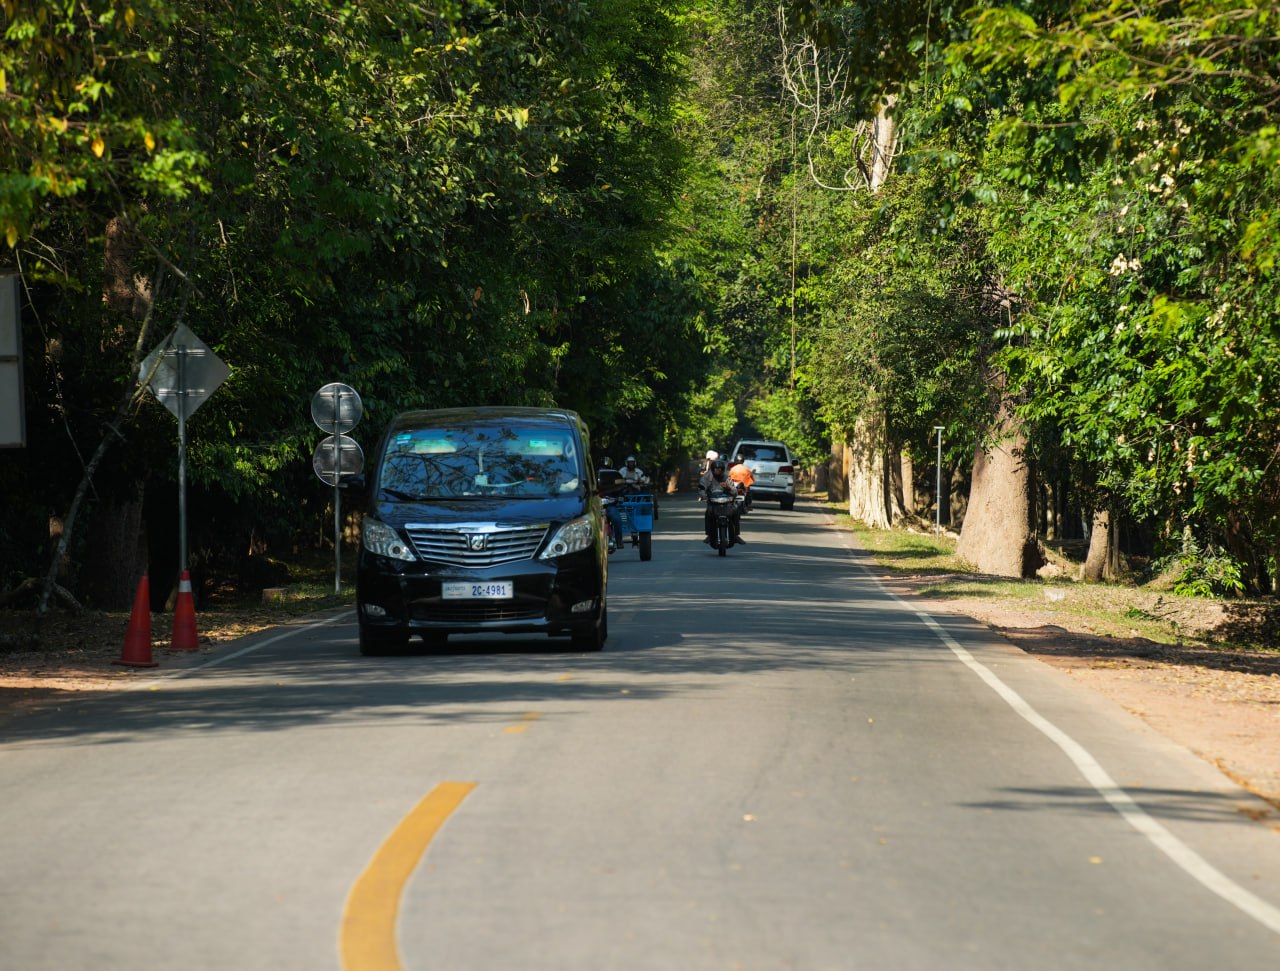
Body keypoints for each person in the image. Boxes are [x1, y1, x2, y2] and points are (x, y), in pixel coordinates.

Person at [698, 457, 745, 546]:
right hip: (712, 501)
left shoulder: (727, 477)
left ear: (723, 469)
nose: (718, 471)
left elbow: (734, 491)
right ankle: (709, 534)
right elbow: (701, 488)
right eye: (716, 469)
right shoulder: (707, 476)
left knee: (735, 512)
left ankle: (736, 535)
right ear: (713, 469)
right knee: (708, 514)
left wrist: (728, 488)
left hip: (727, 502)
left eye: (720, 469)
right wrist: (704, 495)